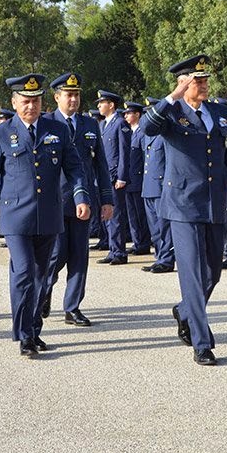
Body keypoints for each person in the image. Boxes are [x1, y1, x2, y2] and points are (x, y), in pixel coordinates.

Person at [139, 54, 227, 366]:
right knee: (191, 273)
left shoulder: (219, 112)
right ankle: (202, 343)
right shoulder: (170, 112)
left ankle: (185, 310)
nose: (203, 85)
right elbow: (147, 129)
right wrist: (172, 98)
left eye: (205, 80)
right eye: (197, 80)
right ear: (183, 83)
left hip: (214, 201)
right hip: (182, 204)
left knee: (212, 272)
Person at [0, 73, 90, 357]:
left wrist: (80, 196)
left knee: (41, 275)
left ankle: (33, 328)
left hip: (49, 214)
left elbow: (75, 168)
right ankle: (25, 334)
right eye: (26, 101)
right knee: (25, 272)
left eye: (36, 101)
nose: (31, 106)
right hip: (15, 217)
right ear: (14, 103)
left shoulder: (57, 130)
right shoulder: (1, 133)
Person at [41, 72, 114, 325]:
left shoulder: (89, 125)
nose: (73, 100)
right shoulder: (46, 122)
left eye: (76, 95)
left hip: (83, 202)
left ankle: (72, 307)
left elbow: (100, 165)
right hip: (54, 200)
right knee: (55, 255)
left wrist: (107, 199)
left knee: (79, 256)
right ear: (57, 97)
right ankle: (44, 290)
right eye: (68, 95)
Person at [95, 89, 131, 265]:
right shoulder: (103, 125)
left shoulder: (120, 123)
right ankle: (112, 248)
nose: (99, 106)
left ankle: (119, 252)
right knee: (107, 215)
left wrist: (122, 177)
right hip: (105, 176)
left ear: (111, 105)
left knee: (116, 216)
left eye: (102, 103)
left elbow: (124, 152)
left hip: (116, 176)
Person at [141, 96, 175, 274]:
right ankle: (159, 257)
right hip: (149, 186)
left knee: (164, 227)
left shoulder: (166, 135)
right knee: (154, 227)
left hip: (162, 186)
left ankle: (167, 259)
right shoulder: (147, 136)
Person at [123, 101, 151, 256]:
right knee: (132, 214)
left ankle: (144, 243)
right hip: (129, 179)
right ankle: (137, 241)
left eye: (129, 113)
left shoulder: (142, 133)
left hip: (139, 179)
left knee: (141, 214)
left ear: (137, 114)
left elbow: (144, 158)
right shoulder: (129, 132)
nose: (126, 116)